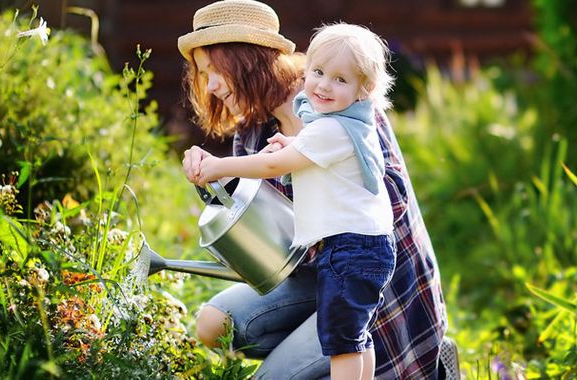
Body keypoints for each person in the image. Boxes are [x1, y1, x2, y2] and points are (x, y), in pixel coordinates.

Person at [176, 1, 449, 379]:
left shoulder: (345, 105)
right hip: (316, 274)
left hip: (372, 281)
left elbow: (392, 208)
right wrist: (216, 184)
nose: (212, 86)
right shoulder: (253, 132)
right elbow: (274, 244)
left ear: (248, 59)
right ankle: (313, 358)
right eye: (203, 75)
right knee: (213, 323)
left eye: (215, 70)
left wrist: (301, 161)